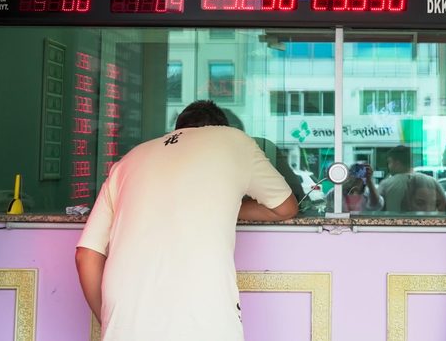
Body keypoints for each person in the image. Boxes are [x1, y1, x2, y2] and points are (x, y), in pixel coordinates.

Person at [75, 100, 298, 341]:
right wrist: (228, 203)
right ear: (220, 128)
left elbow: (86, 254)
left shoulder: (129, 160)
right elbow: (285, 207)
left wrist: (109, 319)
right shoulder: (234, 141)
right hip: (201, 309)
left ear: (177, 129)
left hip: (125, 313)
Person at [378, 145, 414, 211]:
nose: (388, 166)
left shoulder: (386, 184)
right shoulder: (431, 182)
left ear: (397, 164)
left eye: (389, 162)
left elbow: (376, 207)